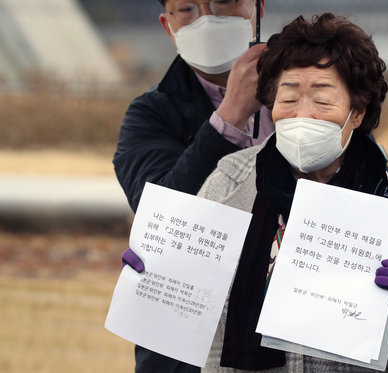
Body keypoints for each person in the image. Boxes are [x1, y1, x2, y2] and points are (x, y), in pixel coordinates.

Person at [197, 13, 388, 372]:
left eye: (322, 102)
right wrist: (155, 273)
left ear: (357, 112)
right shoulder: (230, 183)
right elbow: (189, 308)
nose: (303, 115)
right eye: (288, 100)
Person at [113, 0, 270, 371]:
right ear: (169, 27)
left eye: (224, 1)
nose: (208, 19)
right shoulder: (150, 114)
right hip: (189, 347)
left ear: (258, 8)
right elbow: (163, 215)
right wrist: (229, 116)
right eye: (187, 8)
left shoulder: (312, 91)